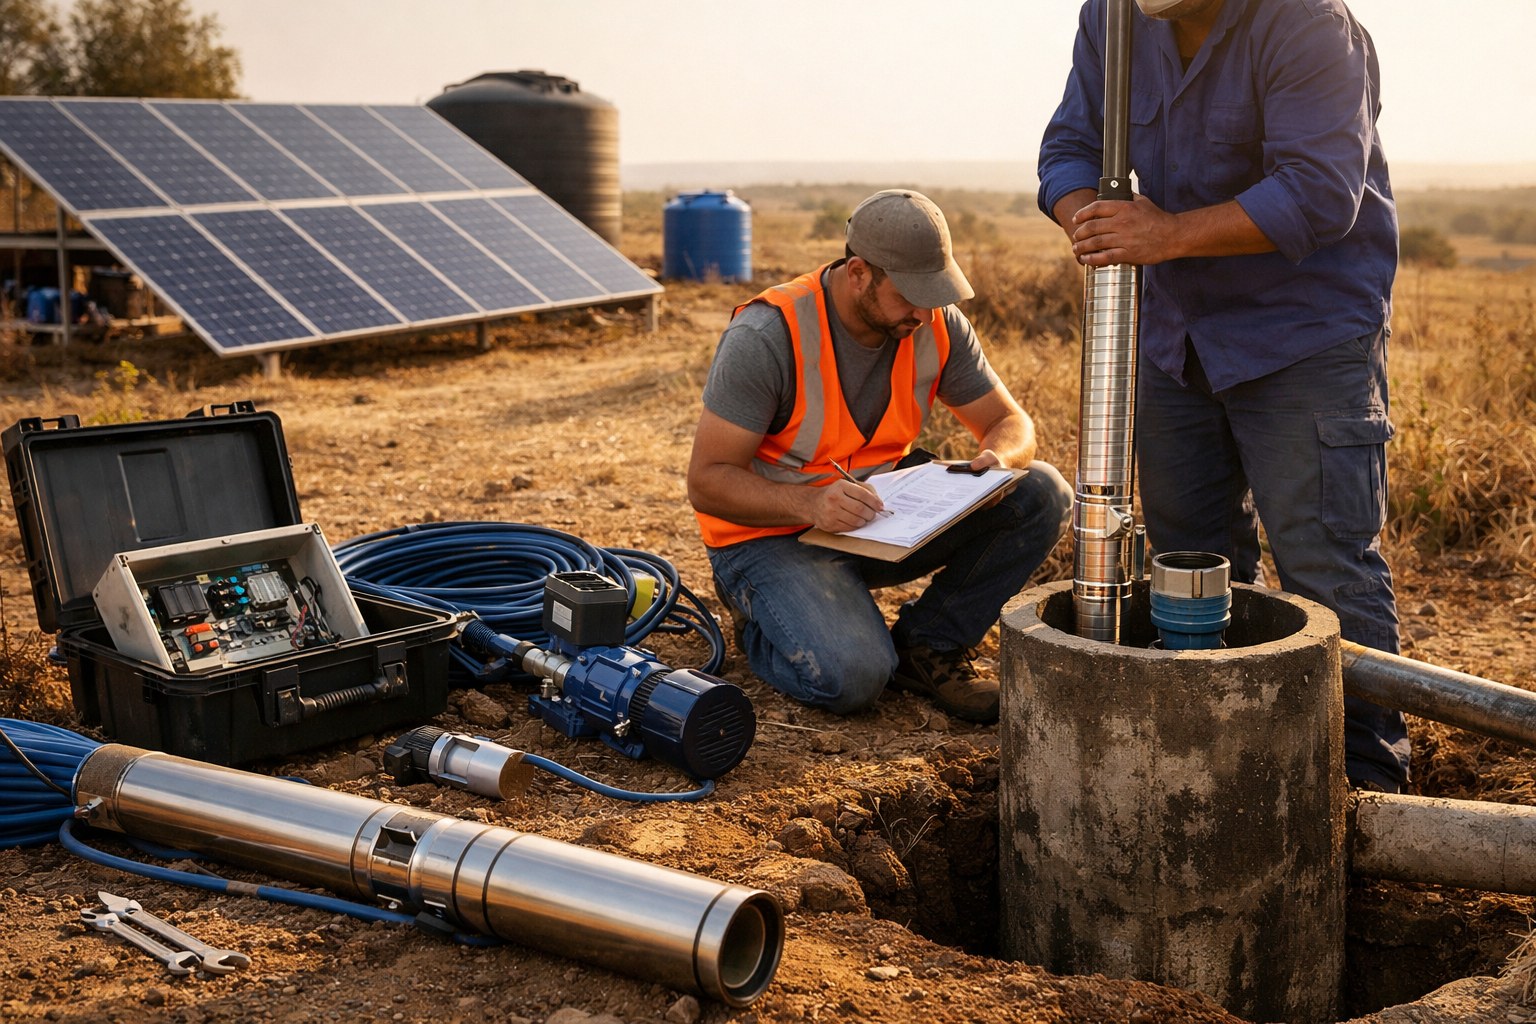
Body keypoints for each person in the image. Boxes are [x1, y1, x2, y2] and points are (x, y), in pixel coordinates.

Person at [1038, 0, 1410, 791]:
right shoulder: (1112, 15)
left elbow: (1319, 191)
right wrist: (1096, 224)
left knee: (1325, 564)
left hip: (1302, 337)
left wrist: (1164, 236)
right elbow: (1068, 148)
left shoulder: (1306, 22)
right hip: (1177, 339)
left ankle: (1366, 785)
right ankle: (1215, 760)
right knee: (1190, 559)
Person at [687, 189, 1073, 725]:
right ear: (859, 273)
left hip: (882, 520)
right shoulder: (767, 335)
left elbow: (1011, 423)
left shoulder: (934, 323)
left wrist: (999, 459)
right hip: (769, 538)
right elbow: (707, 482)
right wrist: (811, 504)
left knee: (1041, 490)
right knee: (857, 677)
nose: (924, 309)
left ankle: (930, 645)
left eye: (934, 292)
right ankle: (761, 619)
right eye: (911, 293)